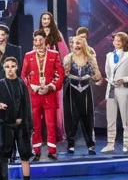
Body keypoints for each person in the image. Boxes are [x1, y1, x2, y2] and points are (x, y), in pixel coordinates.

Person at [0, 55, 35, 180]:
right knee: (4, 155)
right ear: (4, 68)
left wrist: (27, 123)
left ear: (17, 67)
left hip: (21, 126)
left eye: (13, 66)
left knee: (24, 154)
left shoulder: (21, 83)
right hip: (6, 125)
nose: (10, 69)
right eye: (7, 67)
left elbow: (26, 105)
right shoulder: (1, 84)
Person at [21, 29, 65, 160]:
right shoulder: (28, 55)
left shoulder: (54, 54)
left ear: (45, 40)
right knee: (35, 125)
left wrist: (51, 86)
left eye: (40, 40)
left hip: (49, 94)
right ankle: (36, 151)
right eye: (35, 40)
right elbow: (24, 75)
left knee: (51, 124)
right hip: (34, 95)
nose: (38, 42)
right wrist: (33, 87)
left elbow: (60, 73)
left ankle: (52, 151)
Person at [63, 34, 102, 154]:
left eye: (79, 43)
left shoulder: (90, 58)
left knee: (88, 118)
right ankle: (70, 144)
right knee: (71, 118)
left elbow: (97, 77)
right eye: (75, 43)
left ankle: (90, 145)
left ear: (83, 45)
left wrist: (93, 72)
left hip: (85, 90)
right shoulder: (68, 58)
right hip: (72, 90)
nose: (76, 46)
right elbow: (64, 75)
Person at [40, 10, 69, 143]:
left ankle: (57, 133)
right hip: (40, 74)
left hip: (54, 74)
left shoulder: (57, 35)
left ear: (51, 21)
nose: (45, 21)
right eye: (43, 19)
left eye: (48, 19)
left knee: (56, 104)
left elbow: (65, 55)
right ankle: (43, 134)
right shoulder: (37, 35)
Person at [103, 31, 128, 154]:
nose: (117, 42)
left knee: (125, 118)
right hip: (111, 88)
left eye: (120, 40)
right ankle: (110, 144)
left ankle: (126, 144)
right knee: (110, 118)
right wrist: (111, 80)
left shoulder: (127, 55)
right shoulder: (109, 55)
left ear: (124, 42)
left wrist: (124, 79)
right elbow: (107, 72)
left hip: (124, 89)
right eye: (115, 40)